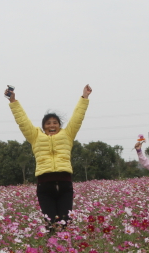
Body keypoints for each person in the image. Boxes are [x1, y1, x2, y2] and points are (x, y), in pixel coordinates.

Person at [5, 84, 91, 231]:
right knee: (50, 224)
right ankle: (52, 248)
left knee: (65, 222)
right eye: (48, 123)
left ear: (59, 125)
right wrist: (13, 102)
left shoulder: (67, 134)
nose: (52, 125)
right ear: (44, 126)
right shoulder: (35, 136)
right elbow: (23, 122)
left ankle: (65, 249)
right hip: (44, 186)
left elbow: (77, 118)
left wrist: (84, 97)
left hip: (65, 185)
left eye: (55, 123)